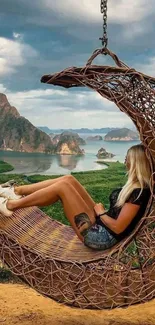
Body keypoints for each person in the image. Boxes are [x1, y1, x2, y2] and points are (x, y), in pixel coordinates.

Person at [0, 144, 152, 250]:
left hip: (100, 237)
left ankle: (10, 206)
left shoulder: (139, 193)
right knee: (69, 180)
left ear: (136, 163)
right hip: (101, 224)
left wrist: (101, 213)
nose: (125, 160)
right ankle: (16, 191)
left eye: (128, 157)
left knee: (62, 187)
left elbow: (118, 228)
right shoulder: (137, 187)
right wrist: (102, 214)